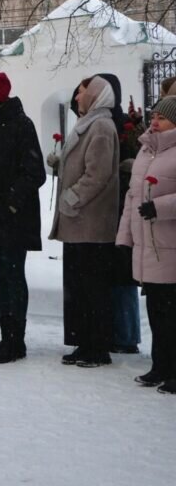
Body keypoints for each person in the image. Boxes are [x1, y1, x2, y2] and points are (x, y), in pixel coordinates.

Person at [0, 72, 46, 363]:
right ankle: (7, 337)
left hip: (14, 219)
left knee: (12, 278)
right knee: (2, 278)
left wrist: (11, 203)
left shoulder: (19, 125)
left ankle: (16, 340)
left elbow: (34, 172)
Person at [49, 76, 120, 367]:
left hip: (90, 222)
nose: (77, 98)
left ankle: (97, 347)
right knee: (81, 287)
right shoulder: (89, 122)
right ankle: (85, 343)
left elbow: (98, 174)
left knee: (93, 288)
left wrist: (71, 198)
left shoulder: (101, 126)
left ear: (94, 96)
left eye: (81, 93)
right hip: (79, 223)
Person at [117, 96, 176, 394]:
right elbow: (132, 197)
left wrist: (160, 207)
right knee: (156, 310)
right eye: (154, 116)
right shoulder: (146, 150)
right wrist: (125, 236)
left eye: (162, 118)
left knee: (171, 312)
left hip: (170, 244)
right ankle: (160, 366)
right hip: (149, 245)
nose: (154, 122)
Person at [98, 74, 143, 355]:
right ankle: (117, 331)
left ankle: (126, 334)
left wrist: (130, 167)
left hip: (122, 208)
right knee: (113, 273)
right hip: (109, 208)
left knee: (122, 273)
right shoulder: (109, 123)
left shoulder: (125, 128)